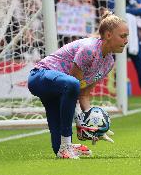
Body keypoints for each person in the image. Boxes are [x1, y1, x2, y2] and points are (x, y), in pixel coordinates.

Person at [28, 11, 128, 159]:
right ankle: (66, 145)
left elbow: (84, 94)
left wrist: (94, 126)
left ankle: (64, 146)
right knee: (73, 84)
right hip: (40, 77)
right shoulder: (89, 49)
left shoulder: (109, 62)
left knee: (58, 148)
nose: (126, 41)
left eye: (127, 36)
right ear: (108, 35)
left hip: (59, 88)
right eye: (122, 36)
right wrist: (82, 122)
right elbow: (73, 85)